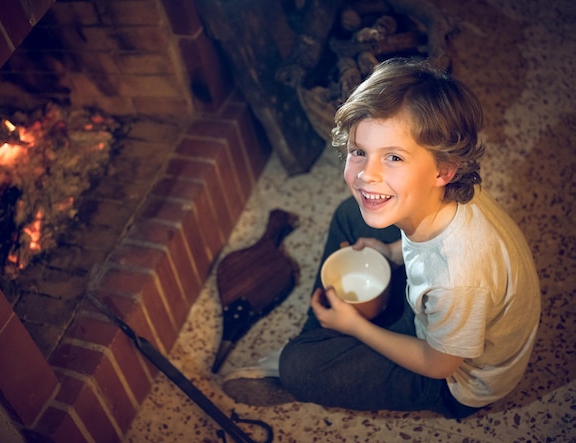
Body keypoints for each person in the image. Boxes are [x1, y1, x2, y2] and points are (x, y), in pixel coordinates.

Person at [222, 57, 540, 419]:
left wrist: (355, 326)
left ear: (444, 169)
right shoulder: (447, 195)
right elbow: (426, 245)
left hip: (452, 379)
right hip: (434, 306)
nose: (366, 175)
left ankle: (317, 348)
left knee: (299, 365)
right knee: (349, 214)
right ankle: (329, 334)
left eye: (392, 157)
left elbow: (439, 365)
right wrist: (390, 251)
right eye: (359, 152)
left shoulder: (458, 278)